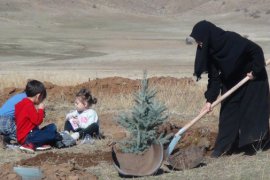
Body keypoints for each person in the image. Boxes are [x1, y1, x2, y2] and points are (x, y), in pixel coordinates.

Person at [190, 20, 270, 157]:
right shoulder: (209, 51)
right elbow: (214, 78)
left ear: (208, 36)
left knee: (251, 112)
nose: (199, 44)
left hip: (252, 79)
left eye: (199, 40)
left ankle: (255, 145)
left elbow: (256, 50)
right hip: (232, 81)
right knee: (228, 112)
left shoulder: (231, 39)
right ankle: (222, 148)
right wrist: (209, 100)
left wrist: (256, 71)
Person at [15, 80, 60, 153]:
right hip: (28, 137)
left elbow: (31, 121)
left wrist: (40, 113)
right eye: (42, 98)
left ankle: (38, 144)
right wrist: (41, 109)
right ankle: (30, 145)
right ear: (38, 96)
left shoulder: (21, 104)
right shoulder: (28, 105)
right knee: (52, 133)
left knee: (52, 127)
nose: (42, 100)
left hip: (26, 135)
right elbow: (37, 121)